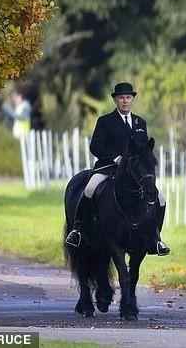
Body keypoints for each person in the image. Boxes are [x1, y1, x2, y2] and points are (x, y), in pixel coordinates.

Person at [65, 82, 170, 256]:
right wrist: (115, 157)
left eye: (128, 97)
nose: (125, 101)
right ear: (115, 100)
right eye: (121, 98)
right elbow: (95, 146)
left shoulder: (140, 123)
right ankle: (77, 230)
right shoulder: (105, 121)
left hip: (134, 173)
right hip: (109, 167)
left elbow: (143, 148)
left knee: (160, 198)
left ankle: (156, 239)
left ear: (132, 99)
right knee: (90, 188)